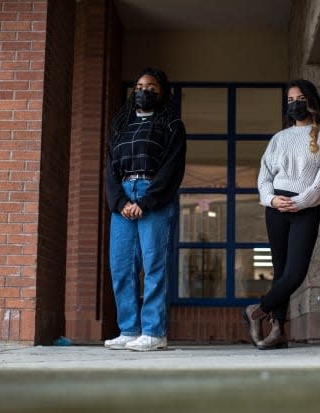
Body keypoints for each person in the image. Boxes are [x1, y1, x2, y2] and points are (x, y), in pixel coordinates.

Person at [243, 79, 320, 350]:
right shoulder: (279, 138)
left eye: (300, 98)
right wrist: (271, 199)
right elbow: (264, 176)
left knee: (295, 272)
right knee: (281, 271)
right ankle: (277, 330)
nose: (295, 104)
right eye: (290, 100)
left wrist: (302, 201)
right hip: (277, 208)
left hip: (306, 207)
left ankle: (256, 311)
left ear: (311, 99)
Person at [104, 68, 186, 351]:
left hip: (153, 195)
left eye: (151, 87)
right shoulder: (120, 124)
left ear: (161, 92)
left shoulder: (172, 124)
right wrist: (120, 202)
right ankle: (129, 329)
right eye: (139, 86)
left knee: (154, 264)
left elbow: (171, 169)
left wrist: (146, 202)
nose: (144, 91)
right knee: (121, 265)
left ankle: (154, 332)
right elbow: (110, 169)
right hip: (123, 196)